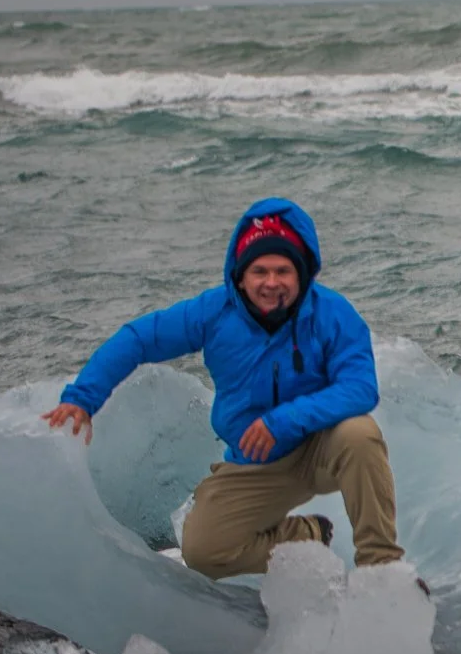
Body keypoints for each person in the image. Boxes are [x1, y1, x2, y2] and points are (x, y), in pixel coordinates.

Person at [42, 197, 403, 578]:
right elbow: (138, 339)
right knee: (204, 552)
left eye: (283, 271)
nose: (271, 283)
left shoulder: (332, 313)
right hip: (256, 458)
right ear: (240, 275)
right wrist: (83, 398)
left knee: (360, 433)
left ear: (302, 273)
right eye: (259, 271)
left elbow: (360, 388)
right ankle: (307, 534)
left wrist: (284, 420)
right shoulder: (213, 313)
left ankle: (382, 570)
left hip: (321, 446)